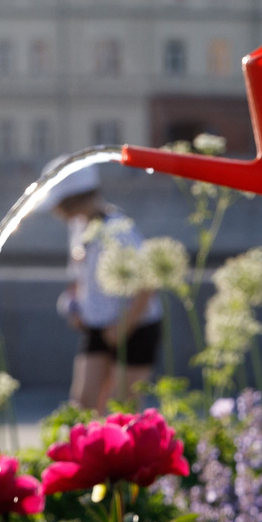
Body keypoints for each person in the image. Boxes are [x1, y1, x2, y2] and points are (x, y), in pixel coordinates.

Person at [43, 164, 163, 410]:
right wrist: (75, 306)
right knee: (83, 404)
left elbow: (148, 282)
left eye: (59, 205)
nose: (56, 212)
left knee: (122, 407)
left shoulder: (120, 229)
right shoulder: (78, 226)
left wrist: (123, 326)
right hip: (96, 324)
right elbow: (78, 275)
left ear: (73, 200)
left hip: (136, 324)